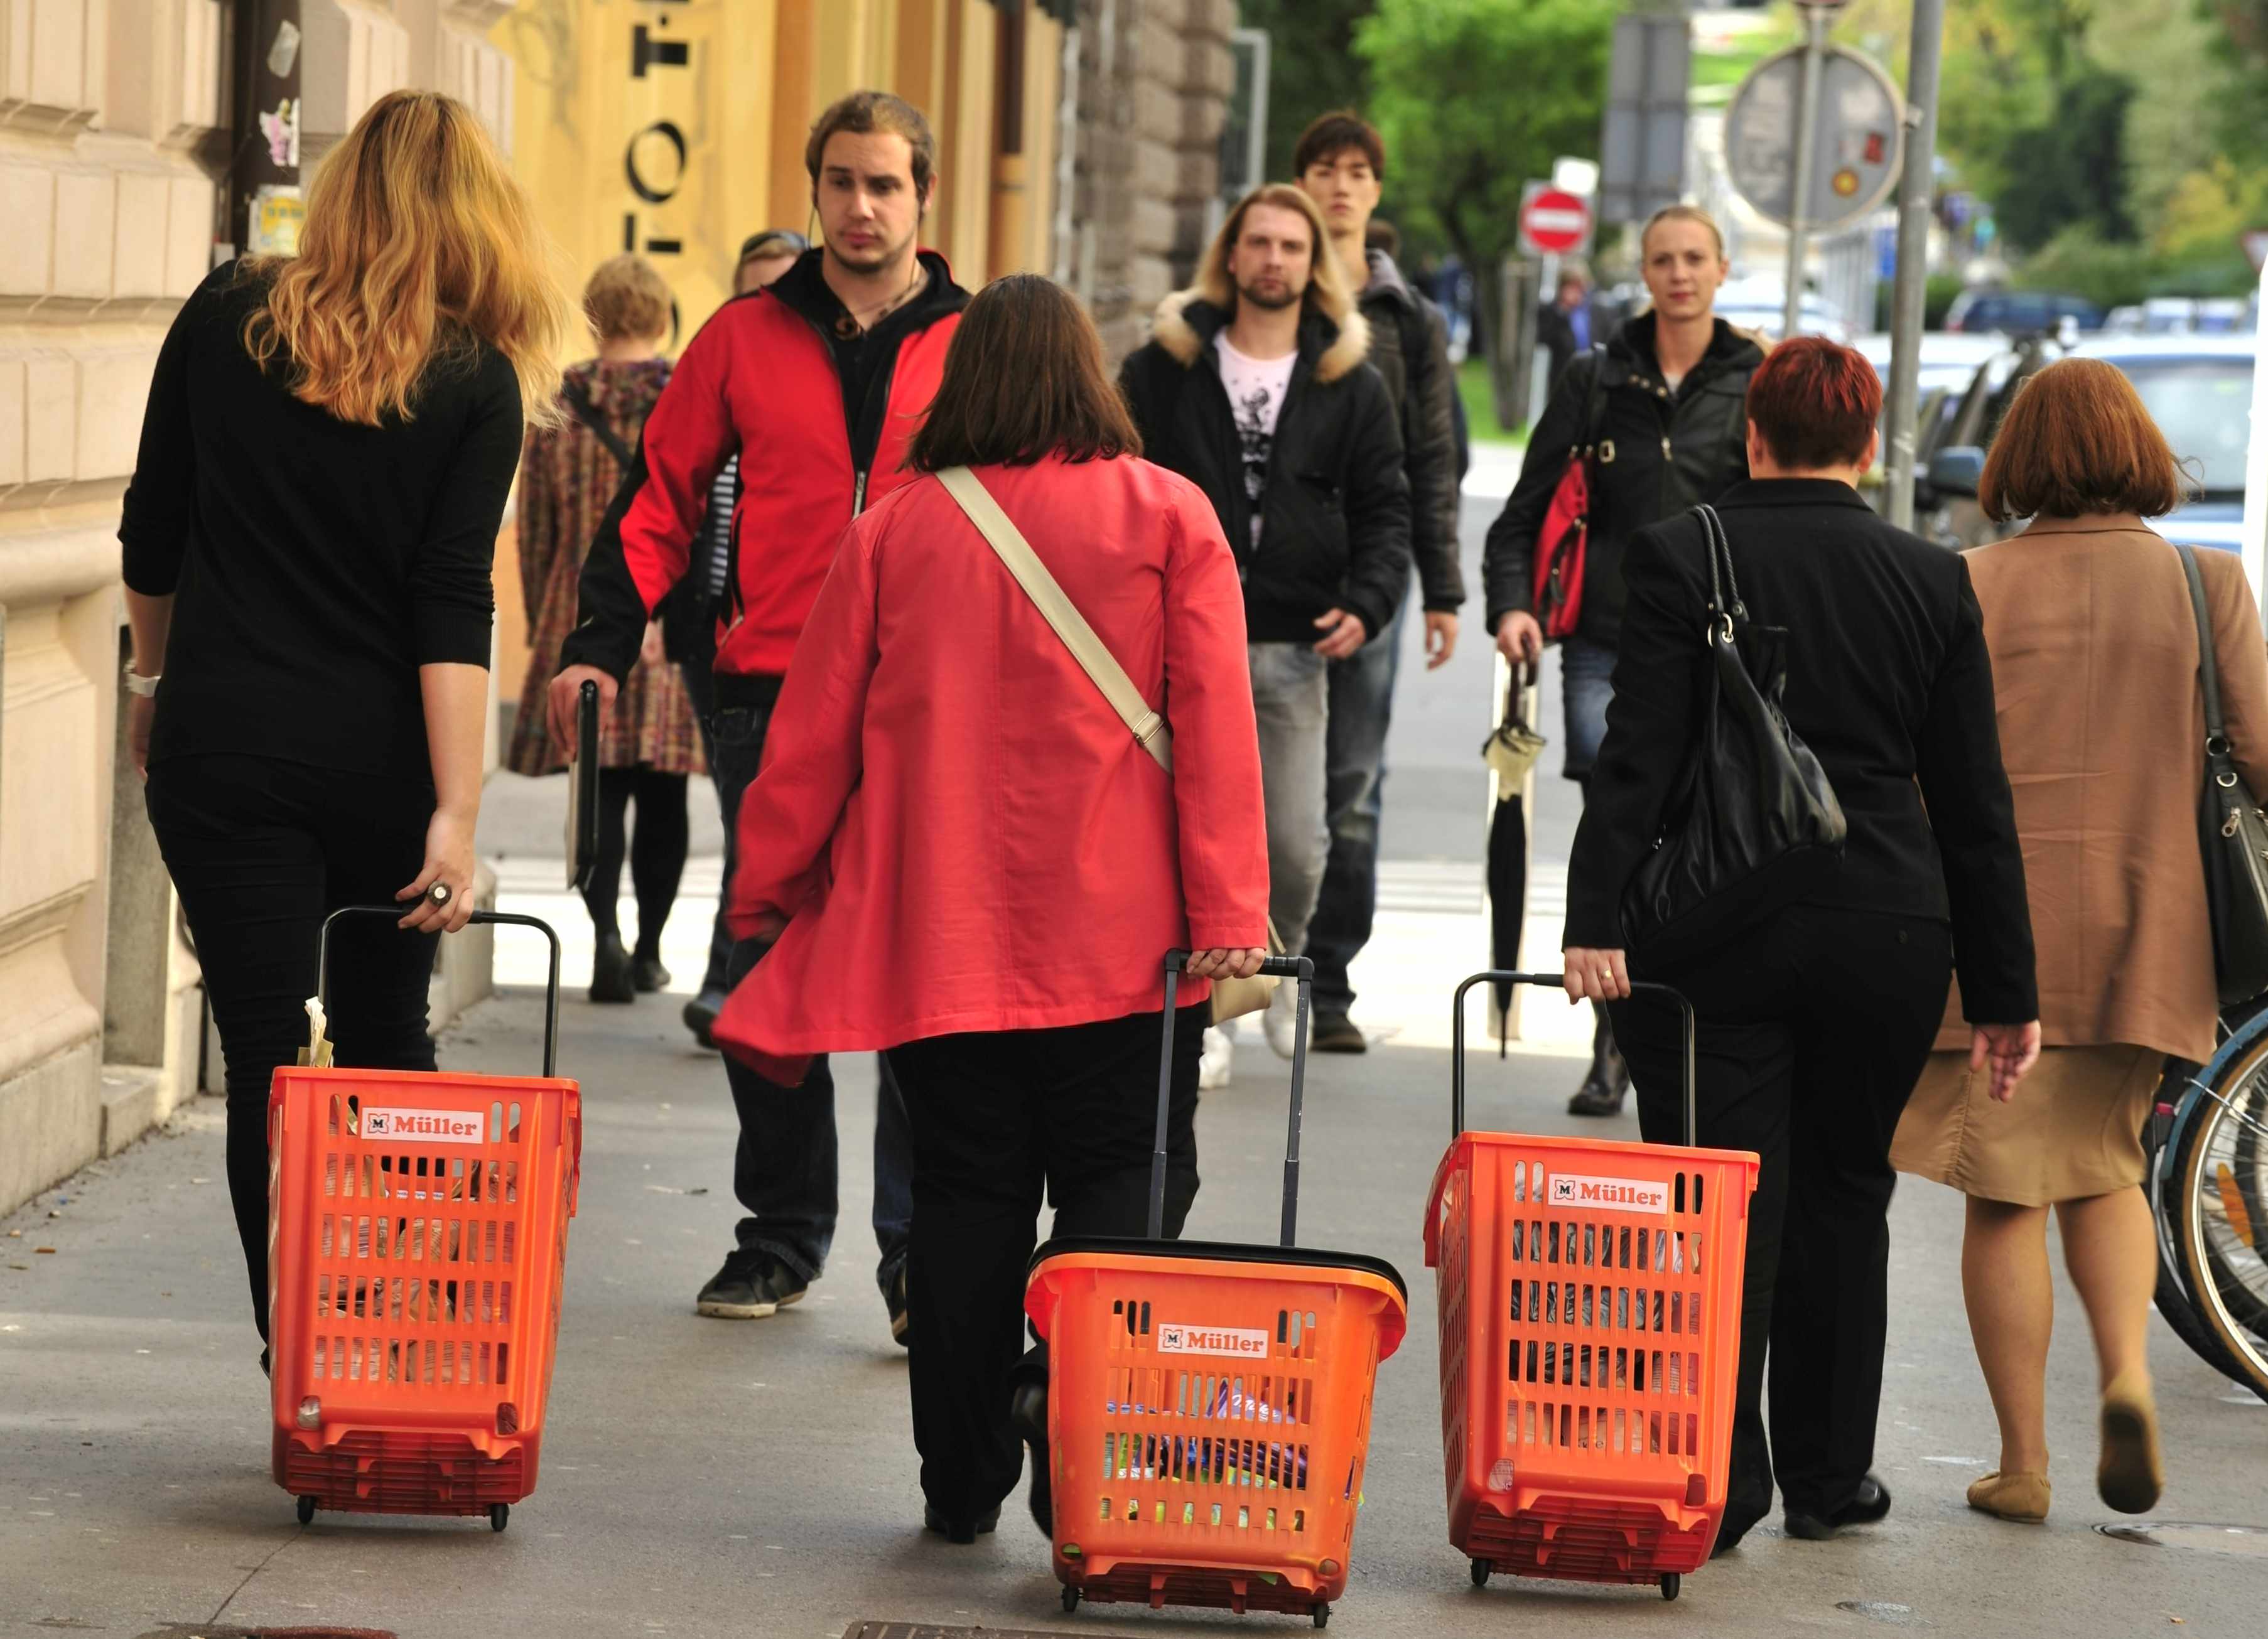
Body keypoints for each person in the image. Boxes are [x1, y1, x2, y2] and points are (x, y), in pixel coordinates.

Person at [711, 272, 1270, 1543]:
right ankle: (1073, 1423)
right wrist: (1234, 903)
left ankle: (960, 1484)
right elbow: (1218, 731)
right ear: (1092, 378)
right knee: (1123, 1190)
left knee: (964, 1201)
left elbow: (812, 738)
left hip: (942, 941)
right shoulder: (1167, 513)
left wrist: (771, 889)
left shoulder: (896, 531)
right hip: (1129, 943)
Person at [1561, 336, 2041, 1553]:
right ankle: (1832, 1477)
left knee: (1717, 1199)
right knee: (1845, 1190)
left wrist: (1591, 919)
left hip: (1718, 930)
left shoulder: (1685, 552)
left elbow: (1639, 757)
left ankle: (1718, 1478)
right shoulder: (1933, 578)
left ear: (1753, 436)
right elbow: (1974, 801)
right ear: (1872, 447)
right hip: (1890, 926)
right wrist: (2004, 991)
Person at [117, 89, 572, 1357]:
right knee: (383, 1037)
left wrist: (154, 690)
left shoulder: (224, 316)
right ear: (478, 215)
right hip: (379, 760)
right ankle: (402, 1341)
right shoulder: (475, 379)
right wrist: (456, 811)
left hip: (226, 741)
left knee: (267, 1049)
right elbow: (448, 601)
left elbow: (150, 529)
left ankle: (303, 1351)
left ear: (344, 193)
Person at [549, 91, 964, 1339]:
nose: (861, 206)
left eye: (884, 184)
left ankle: (920, 1263)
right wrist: (597, 645)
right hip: (768, 689)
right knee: (765, 965)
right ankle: (780, 1238)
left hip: (928, 695)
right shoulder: (742, 333)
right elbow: (658, 496)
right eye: (840, 182)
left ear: (921, 197)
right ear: (816, 188)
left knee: (922, 977)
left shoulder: (975, 338)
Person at [1889, 360, 2265, 1523]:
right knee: (2105, 1166)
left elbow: (1910, 768)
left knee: (2001, 1193)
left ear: (2016, 461)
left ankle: (2023, 1463)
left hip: (1995, 936)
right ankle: (2125, 1378)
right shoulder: (2207, 585)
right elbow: (2258, 754)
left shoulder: (1965, 583)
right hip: (2153, 930)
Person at [1119, 183, 1410, 1084]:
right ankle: (1212, 1012)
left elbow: (1385, 507)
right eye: (1259, 243)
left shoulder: (1349, 380)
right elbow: (1113, 481)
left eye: (1292, 245)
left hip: (1291, 641)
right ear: (1231, 256)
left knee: (1292, 839)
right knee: (1179, 838)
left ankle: (1280, 968)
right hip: (1178, 640)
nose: (1274, 259)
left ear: (1313, 262)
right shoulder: (1163, 368)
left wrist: (1368, 598)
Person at [1484, 205, 1764, 1118]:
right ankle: (1615, 1043)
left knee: (1693, 830)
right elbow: (1523, 511)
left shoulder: (1756, 378)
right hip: (1610, 639)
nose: (1679, 273)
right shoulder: (1596, 376)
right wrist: (1514, 605)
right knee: (1623, 819)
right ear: (1643, 273)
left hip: (1723, 645)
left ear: (1723, 269)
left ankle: (1673, 1021)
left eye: (1695, 258)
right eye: (1662, 259)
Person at [1293, 111, 1465, 1055]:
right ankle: (1247, 958)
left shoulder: (1409, 317)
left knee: (1351, 779)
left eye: (1359, 171)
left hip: (1375, 569)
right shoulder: (1272, 292)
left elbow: (1434, 457)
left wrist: (1441, 589)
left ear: (1376, 190)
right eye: (1326, 169)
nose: (1342, 186)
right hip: (1273, 570)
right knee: (1249, 769)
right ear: (1302, 183)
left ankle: (1328, 980)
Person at [507, 255, 705, 1002]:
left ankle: (607, 941)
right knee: (666, 796)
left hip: (581, 617)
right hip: (666, 620)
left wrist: (543, 618)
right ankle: (651, 947)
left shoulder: (557, 403)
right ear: (660, 318)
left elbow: (534, 529)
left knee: (598, 792)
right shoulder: (689, 397)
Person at [676, 228, 810, 1048]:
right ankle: (733, 974)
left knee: (764, 819)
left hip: (789, 641)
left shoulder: (810, 398)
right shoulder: (717, 376)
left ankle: (734, 977)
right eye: (753, 290)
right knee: (743, 813)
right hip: (711, 631)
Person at [1536, 263, 1595, 390]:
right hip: (1562, 378)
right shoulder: (1554, 312)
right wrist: (1563, 310)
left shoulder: (1590, 311)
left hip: (1589, 377)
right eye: (1572, 287)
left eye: (1580, 287)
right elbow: (1544, 339)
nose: (1577, 293)